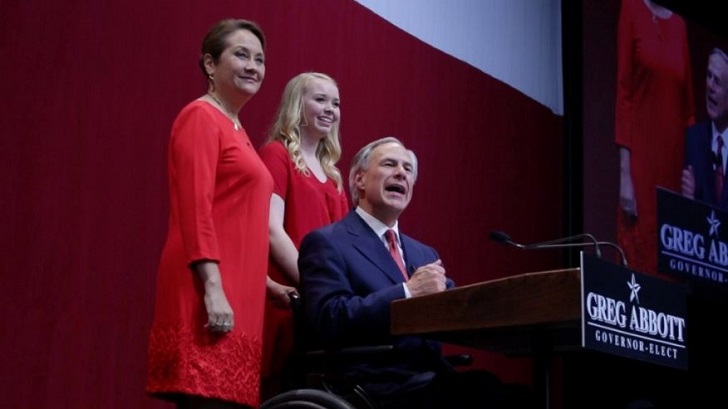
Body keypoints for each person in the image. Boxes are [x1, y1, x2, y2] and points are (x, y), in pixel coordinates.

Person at [298, 137, 517, 409]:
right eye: (390, 164)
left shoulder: (425, 254)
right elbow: (330, 316)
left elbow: (452, 309)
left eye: (408, 169)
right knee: (487, 396)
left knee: (517, 395)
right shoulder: (328, 242)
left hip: (431, 377)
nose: (401, 173)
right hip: (375, 381)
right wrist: (407, 292)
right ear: (359, 180)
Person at [146, 19, 273, 409]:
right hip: (207, 287)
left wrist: (268, 284)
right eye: (241, 54)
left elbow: (236, 220)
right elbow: (196, 209)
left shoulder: (237, 128)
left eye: (260, 59)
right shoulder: (201, 117)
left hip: (240, 292)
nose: (253, 66)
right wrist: (213, 289)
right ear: (209, 64)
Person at [257, 72, 350, 400]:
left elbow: (345, 250)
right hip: (289, 298)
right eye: (320, 100)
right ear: (298, 105)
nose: (330, 109)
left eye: (335, 103)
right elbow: (271, 229)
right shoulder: (277, 155)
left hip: (321, 305)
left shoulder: (335, 177)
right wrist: (317, 284)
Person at [615, 0, 695, 275]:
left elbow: (689, 112)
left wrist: (690, 175)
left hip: (673, 173)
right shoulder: (632, 9)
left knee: (672, 274)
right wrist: (625, 177)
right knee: (639, 273)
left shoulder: (680, 26)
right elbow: (623, 95)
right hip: (641, 173)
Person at [682, 48, 728, 208]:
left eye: (717, 81)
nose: (710, 86)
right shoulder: (693, 140)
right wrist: (689, 200)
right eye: (709, 76)